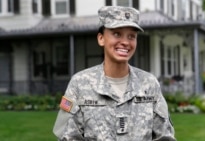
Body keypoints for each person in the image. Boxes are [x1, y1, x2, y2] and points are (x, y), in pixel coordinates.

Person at [53, 6, 176, 141]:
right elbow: (68, 137)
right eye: (117, 34)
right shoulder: (79, 83)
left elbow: (165, 137)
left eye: (131, 36)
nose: (125, 42)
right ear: (101, 39)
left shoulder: (149, 84)